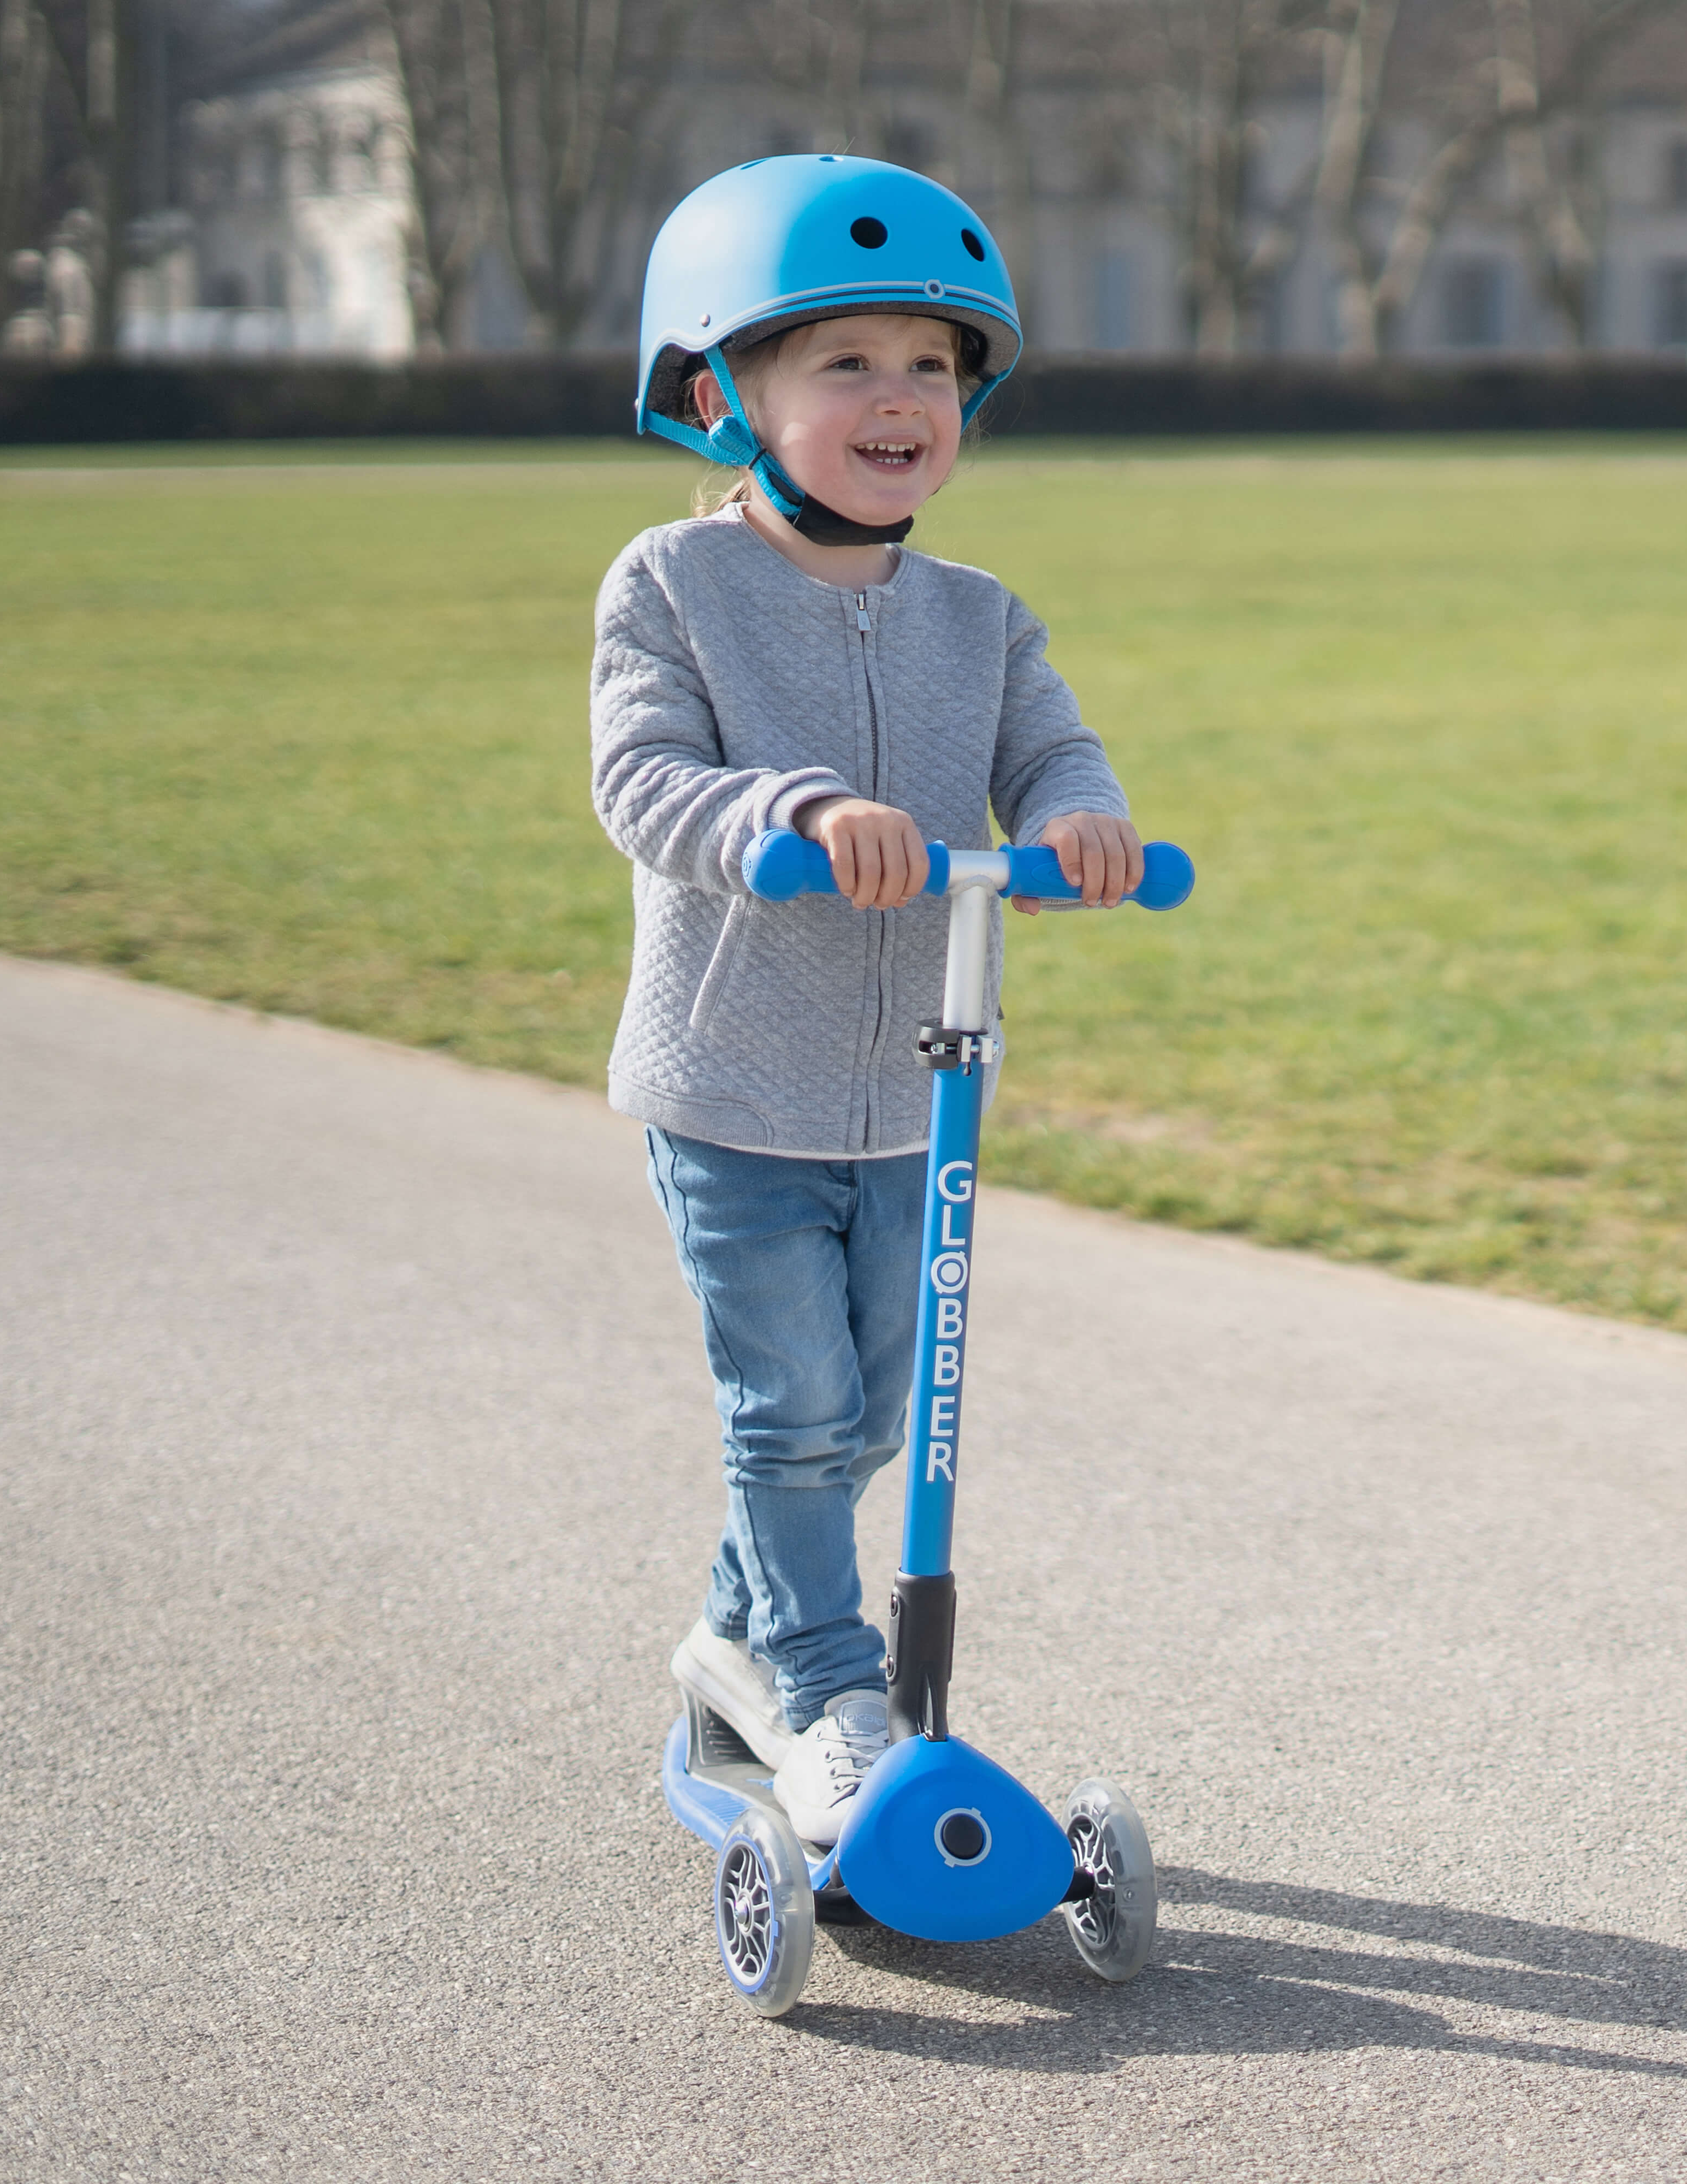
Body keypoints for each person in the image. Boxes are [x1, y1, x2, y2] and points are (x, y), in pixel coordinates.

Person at [590, 156, 1144, 1845]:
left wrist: (1074, 815)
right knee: (794, 1410)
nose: (901, 400)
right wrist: (796, 817)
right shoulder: (671, 589)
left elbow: (1045, 744)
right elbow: (642, 780)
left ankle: (735, 1630)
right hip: (734, 1088)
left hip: (920, 1089)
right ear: (719, 394)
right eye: (846, 364)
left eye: (932, 366)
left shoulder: (977, 616)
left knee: (874, 1416)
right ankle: (830, 1692)